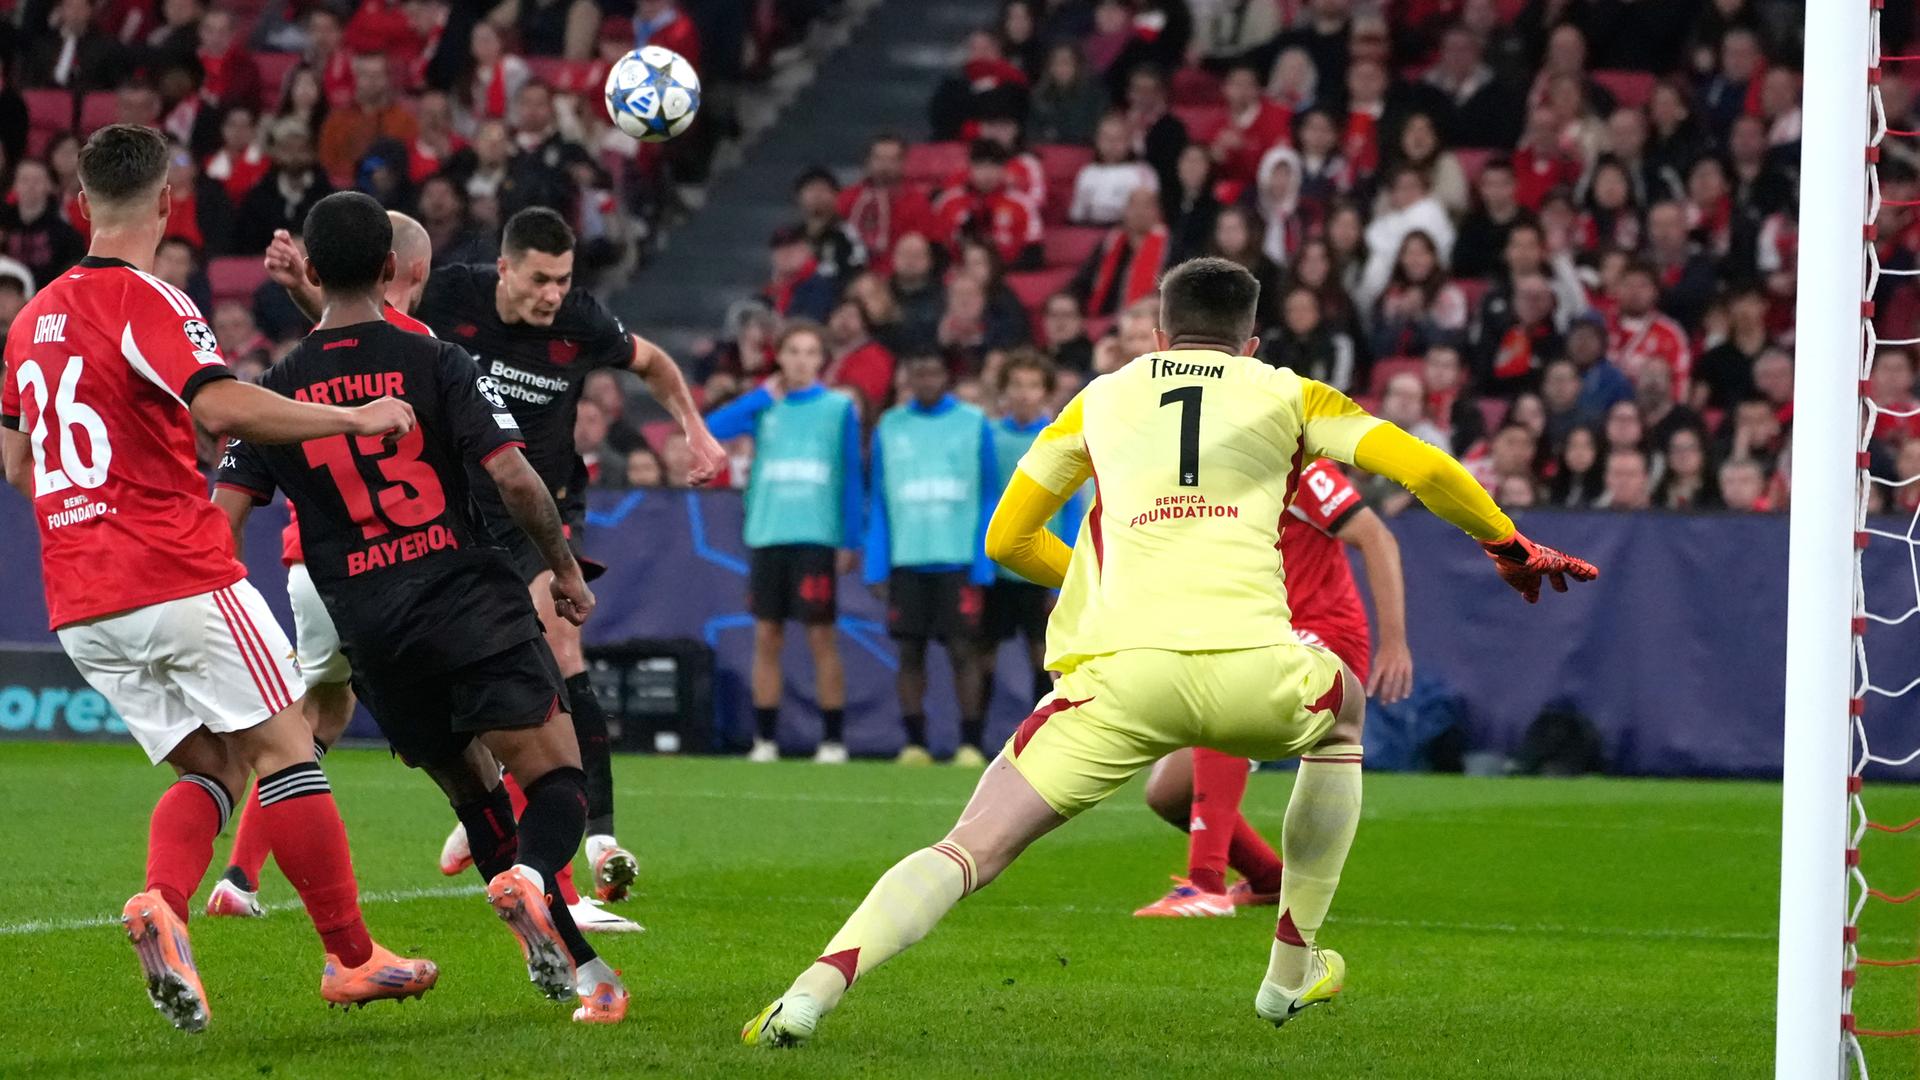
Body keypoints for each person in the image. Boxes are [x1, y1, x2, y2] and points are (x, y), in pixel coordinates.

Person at [742, 257, 1595, 1047]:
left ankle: (812, 991)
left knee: (971, 847)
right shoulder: (1289, 392)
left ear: (1158, 334)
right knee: (1344, 716)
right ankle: (1290, 970)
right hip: (1257, 673)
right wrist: (1508, 543)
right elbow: (1423, 468)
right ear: (1250, 342)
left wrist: (1102, 583)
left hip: (1119, 681)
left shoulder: (1102, 397)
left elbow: (1008, 537)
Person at [0, 124, 429, 1031]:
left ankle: (163, 900)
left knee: (219, 765)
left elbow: (16, 460)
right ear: (166, 204)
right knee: (290, 748)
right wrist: (349, 421)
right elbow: (220, 403)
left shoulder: (29, 320)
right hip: (175, 573)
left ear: (80, 205)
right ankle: (353, 958)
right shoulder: (151, 300)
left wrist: (88, 505)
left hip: (81, 602)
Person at [212, 190, 626, 1024]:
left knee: (472, 795)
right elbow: (515, 478)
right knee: (559, 779)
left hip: (372, 629)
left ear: (316, 272)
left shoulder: (277, 391)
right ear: (399, 270)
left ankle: (585, 974)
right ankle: (533, 882)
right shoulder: (436, 358)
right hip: (464, 598)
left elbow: (219, 522)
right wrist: (565, 571)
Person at [405, 208, 727, 902]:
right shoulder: (451, 297)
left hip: (540, 510)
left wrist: (694, 431)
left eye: (564, 279)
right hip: (456, 505)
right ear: (507, 269)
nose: (553, 294)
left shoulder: (581, 321)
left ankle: (601, 840)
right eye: (541, 279)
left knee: (564, 648)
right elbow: (373, 319)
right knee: (482, 660)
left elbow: (655, 363)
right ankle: (498, 786)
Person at [1135, 455, 1414, 917]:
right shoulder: (1203, 484)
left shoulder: (1301, 468)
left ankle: (1204, 884)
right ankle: (1267, 879)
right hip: (1265, 638)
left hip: (1327, 641)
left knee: (1229, 694)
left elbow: (1376, 537)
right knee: (1168, 793)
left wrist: (1396, 643)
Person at [704, 323, 862, 764]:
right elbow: (711, 427)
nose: (801, 360)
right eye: (793, 351)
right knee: (767, 637)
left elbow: (850, 472)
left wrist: (850, 538)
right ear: (781, 358)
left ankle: (832, 741)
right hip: (768, 533)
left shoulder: (838, 408)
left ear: (821, 360)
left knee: (821, 638)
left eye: (811, 352)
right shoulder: (764, 406)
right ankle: (765, 740)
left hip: (816, 535)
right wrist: (760, 396)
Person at [864, 354, 999, 765]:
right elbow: (880, 499)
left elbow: (990, 496)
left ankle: (971, 744)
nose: (925, 378)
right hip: (908, 560)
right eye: (918, 371)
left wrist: (983, 559)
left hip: (957, 558)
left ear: (948, 377)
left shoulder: (975, 424)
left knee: (964, 652)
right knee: (909, 654)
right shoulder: (890, 425)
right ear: (906, 377)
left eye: (934, 371)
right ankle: (915, 743)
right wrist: (876, 562)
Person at [982, 351, 1082, 711]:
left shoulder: (1059, 436)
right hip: (996, 567)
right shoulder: (987, 435)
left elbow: (1074, 509)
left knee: (1044, 653)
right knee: (984, 650)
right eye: (1017, 385)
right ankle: (974, 739)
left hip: (1042, 561)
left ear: (1047, 392)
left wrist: (1066, 573)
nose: (1025, 393)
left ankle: (1042, 733)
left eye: (1033, 385)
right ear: (1004, 390)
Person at [1071, 188, 1169, 318]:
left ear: (1158, 212)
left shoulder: (1171, 248)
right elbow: (1083, 281)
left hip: (1150, 320)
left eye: (1147, 206)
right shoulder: (1109, 245)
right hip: (1107, 317)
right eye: (1134, 205)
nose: (1140, 212)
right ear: (1125, 211)